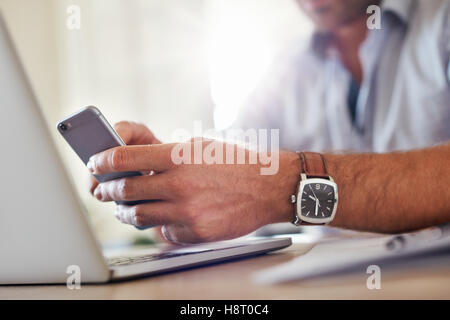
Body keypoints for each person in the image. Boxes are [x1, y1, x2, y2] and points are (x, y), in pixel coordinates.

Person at [88, 0, 450, 244]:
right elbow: (231, 160)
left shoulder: (440, 22)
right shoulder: (288, 69)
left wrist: (282, 186)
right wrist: (167, 178)